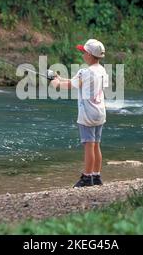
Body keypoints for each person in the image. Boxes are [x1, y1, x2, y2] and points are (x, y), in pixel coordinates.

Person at [51, 39, 109, 187]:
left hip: (87, 115)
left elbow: (70, 85)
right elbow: (76, 80)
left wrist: (56, 83)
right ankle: (96, 176)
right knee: (96, 144)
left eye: (84, 52)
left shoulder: (85, 71)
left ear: (89, 55)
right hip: (100, 113)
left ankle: (86, 177)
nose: (82, 54)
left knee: (89, 145)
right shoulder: (102, 70)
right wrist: (59, 77)